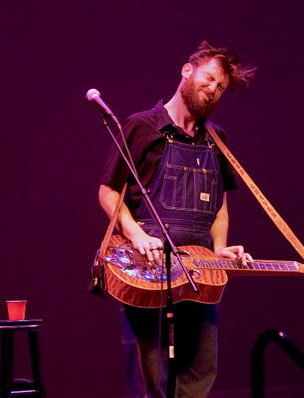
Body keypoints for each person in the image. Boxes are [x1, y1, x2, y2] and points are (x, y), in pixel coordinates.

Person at [98, 41, 255, 398]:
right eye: (210, 79)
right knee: (150, 376)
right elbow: (108, 191)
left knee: (199, 372)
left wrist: (218, 250)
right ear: (188, 70)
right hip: (147, 269)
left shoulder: (218, 140)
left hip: (199, 271)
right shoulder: (141, 127)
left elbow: (219, 205)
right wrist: (136, 234)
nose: (213, 90)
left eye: (221, 88)